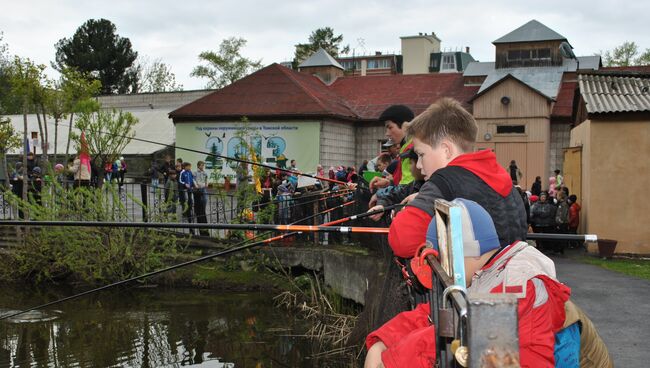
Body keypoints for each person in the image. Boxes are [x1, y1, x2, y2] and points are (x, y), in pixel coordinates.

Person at [365, 198, 611, 368]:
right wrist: (383, 341)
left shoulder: (521, 278)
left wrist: (395, 359)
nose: (438, 270)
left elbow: (481, 333)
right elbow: (434, 316)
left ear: (459, 252)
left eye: (439, 260)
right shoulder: (485, 273)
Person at [388, 98, 527, 261]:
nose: (419, 165)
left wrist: (413, 206)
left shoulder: (443, 182)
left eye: (421, 155)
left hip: (466, 285)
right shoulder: (504, 180)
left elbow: (401, 241)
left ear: (446, 150)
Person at [380, 105, 415, 186]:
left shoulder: (411, 150)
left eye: (390, 127)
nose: (387, 134)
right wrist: (389, 182)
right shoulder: (405, 147)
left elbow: (406, 187)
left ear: (405, 126)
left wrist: (381, 193)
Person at [193, 161, 209, 235]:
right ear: (198, 166)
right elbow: (193, 179)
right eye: (201, 165)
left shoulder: (205, 172)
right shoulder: (195, 173)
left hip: (203, 188)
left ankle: (203, 211)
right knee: (198, 200)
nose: (202, 167)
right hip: (198, 188)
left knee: (205, 199)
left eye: (203, 166)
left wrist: (206, 183)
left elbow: (206, 178)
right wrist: (196, 185)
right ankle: (197, 211)